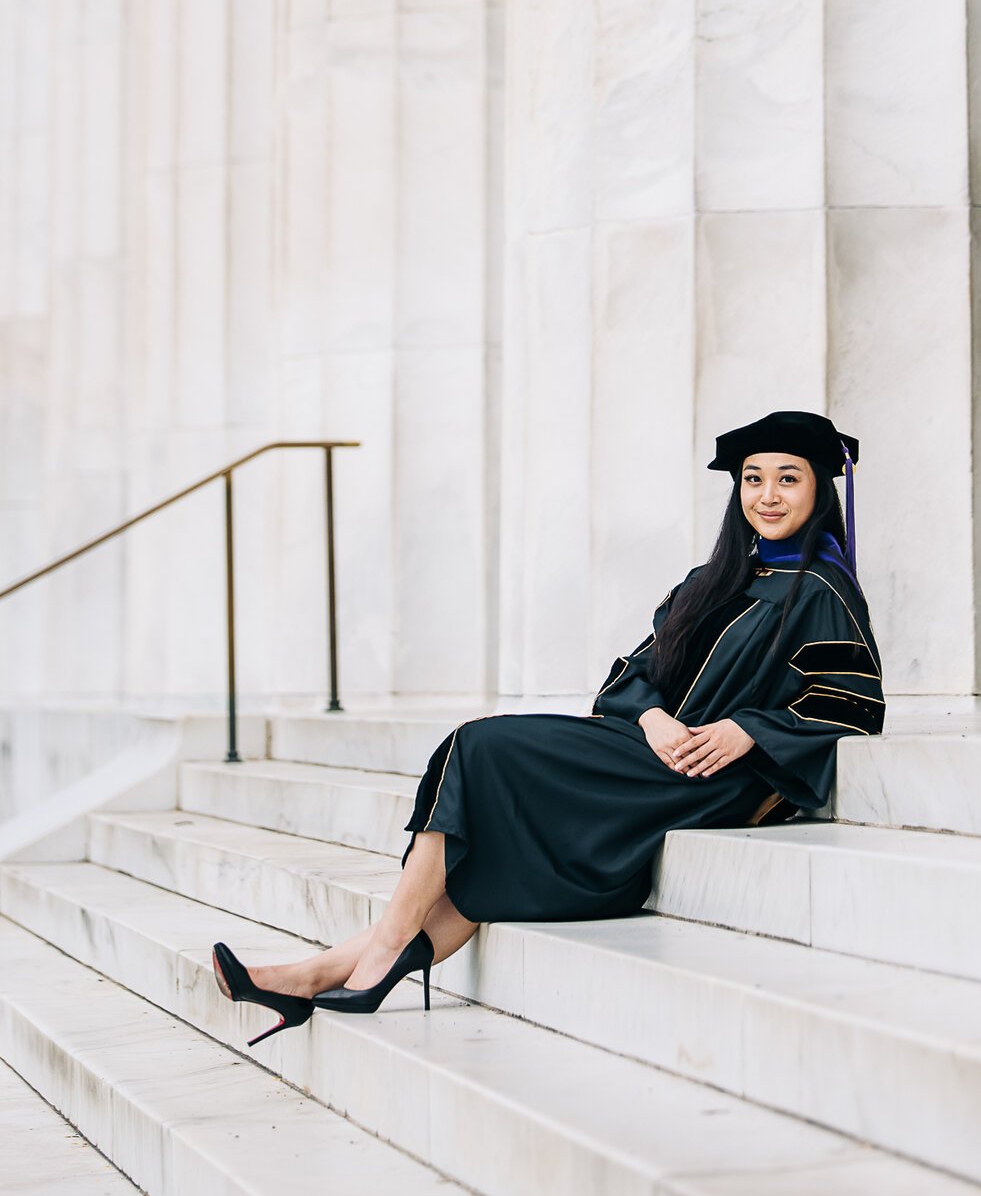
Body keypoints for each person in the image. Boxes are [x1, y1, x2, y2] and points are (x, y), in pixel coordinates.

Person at [210, 409, 883, 1041]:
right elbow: (632, 675)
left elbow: (852, 704)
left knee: (482, 747)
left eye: (787, 479)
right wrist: (649, 716)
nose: (767, 495)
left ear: (818, 490)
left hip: (708, 777)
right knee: (490, 802)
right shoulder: (711, 579)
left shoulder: (822, 591)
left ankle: (363, 959)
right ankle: (320, 973)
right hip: (647, 749)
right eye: (753, 479)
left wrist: (747, 730)